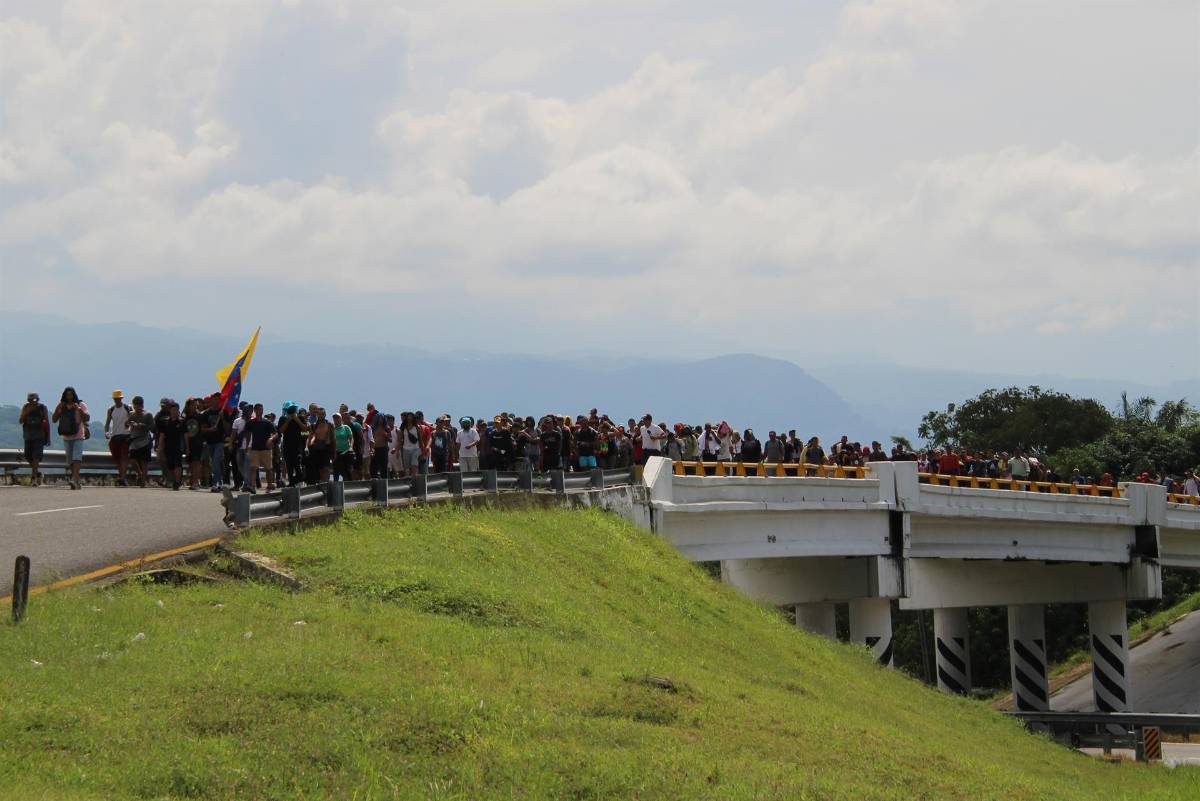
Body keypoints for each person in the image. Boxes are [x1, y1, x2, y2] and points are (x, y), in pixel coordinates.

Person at [53, 386, 89, 490]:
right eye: (67, 395)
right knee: (70, 461)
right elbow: (54, 419)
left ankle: (74, 479)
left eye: (71, 394)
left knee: (77, 458)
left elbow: (87, 417)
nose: (69, 397)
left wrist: (78, 409)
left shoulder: (81, 404)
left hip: (78, 435)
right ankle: (76, 481)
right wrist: (58, 408)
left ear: (74, 395)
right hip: (66, 436)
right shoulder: (62, 405)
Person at [245, 403, 278, 492]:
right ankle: (252, 486)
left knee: (268, 468)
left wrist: (271, 439)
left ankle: (270, 485)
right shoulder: (250, 422)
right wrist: (247, 445)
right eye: (259, 409)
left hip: (266, 449)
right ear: (255, 411)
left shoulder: (267, 422)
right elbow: (247, 434)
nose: (261, 411)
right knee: (253, 468)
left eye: (262, 409)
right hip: (254, 448)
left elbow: (276, 434)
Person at [19, 392, 50, 486]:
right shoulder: (25, 407)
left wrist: (48, 437)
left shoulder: (42, 407)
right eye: (30, 400)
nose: (32, 401)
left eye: (34, 399)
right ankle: (37, 473)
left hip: (39, 435)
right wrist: (26, 412)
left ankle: (34, 479)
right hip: (28, 435)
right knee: (28, 456)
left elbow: (46, 422)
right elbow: (20, 421)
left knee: (36, 457)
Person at [126, 396, 156, 487]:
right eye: (135, 406)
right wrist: (129, 424)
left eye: (138, 406)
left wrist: (142, 426)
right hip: (134, 440)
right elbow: (126, 424)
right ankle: (140, 473)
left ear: (142, 405)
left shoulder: (148, 415)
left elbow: (153, 428)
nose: (137, 408)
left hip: (145, 440)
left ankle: (143, 481)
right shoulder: (131, 414)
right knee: (132, 460)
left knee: (144, 462)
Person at [156, 401, 187, 490]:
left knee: (177, 464)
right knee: (170, 464)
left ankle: (177, 482)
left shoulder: (182, 421)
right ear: (170, 411)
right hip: (168, 446)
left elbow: (185, 435)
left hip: (178, 446)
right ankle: (174, 480)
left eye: (176, 410)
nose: (175, 412)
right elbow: (162, 435)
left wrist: (187, 447)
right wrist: (160, 446)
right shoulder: (165, 421)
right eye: (173, 410)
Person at [105, 390, 132, 486]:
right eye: (116, 398)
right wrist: (107, 432)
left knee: (124, 457)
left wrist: (128, 423)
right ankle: (122, 477)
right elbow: (107, 422)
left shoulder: (127, 408)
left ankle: (123, 478)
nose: (117, 400)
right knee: (117, 458)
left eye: (118, 398)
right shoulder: (111, 409)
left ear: (121, 398)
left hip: (125, 435)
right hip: (115, 435)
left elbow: (132, 418)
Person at [331, 412, 354, 481]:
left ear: (340, 419)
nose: (336, 419)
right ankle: (335, 488)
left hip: (346, 451)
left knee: (346, 470)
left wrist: (351, 447)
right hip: (336, 452)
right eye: (334, 418)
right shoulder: (332, 429)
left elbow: (351, 438)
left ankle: (349, 487)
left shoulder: (345, 427)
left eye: (337, 418)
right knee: (336, 471)